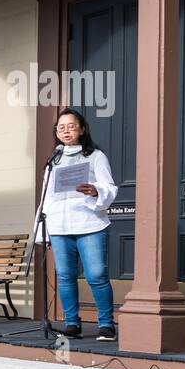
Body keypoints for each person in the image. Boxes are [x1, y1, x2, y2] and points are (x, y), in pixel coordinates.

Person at [41, 108, 119, 341]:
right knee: (65, 276)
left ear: (82, 129)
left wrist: (96, 190)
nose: (66, 131)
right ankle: (72, 323)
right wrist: (43, 228)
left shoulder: (95, 156)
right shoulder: (53, 160)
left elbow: (110, 187)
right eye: (61, 127)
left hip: (89, 223)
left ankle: (106, 325)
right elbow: (46, 195)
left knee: (96, 275)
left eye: (71, 126)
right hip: (59, 226)